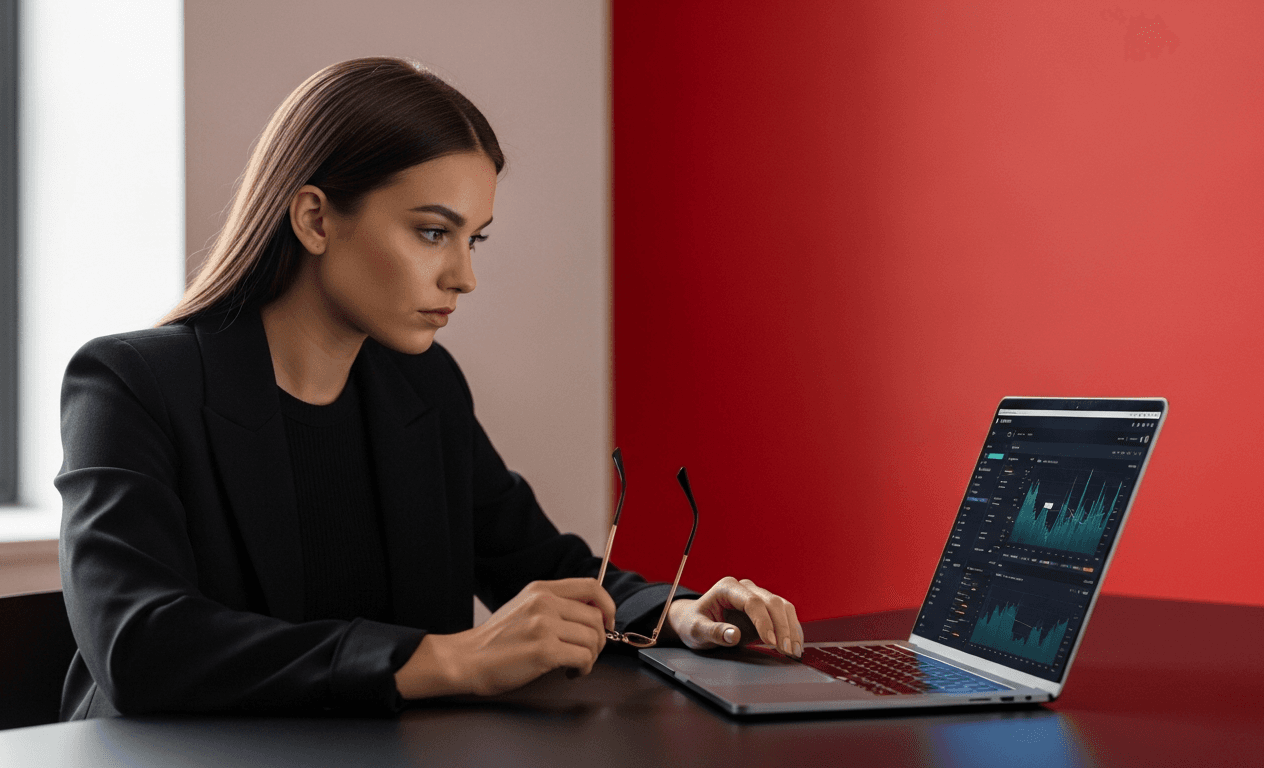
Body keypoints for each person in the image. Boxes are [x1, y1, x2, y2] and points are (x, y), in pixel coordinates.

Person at [55, 56, 803, 720]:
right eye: (432, 232)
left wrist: (676, 614)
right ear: (315, 219)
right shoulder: (129, 384)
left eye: (473, 239)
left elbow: (542, 566)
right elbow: (139, 644)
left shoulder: (422, 386)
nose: (464, 277)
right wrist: (449, 659)